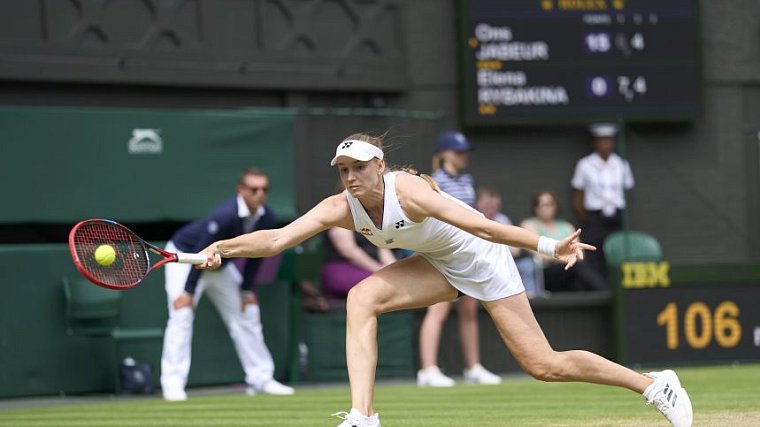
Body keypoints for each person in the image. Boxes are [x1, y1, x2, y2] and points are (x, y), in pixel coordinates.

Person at [198, 134, 693, 427]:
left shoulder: (410, 193)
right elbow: (277, 239)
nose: (349, 177)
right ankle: (363, 416)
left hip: (482, 258)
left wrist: (548, 246)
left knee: (545, 365)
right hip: (438, 262)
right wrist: (221, 247)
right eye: (343, 169)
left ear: (380, 167)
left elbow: (480, 225)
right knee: (362, 296)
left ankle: (653, 386)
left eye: (358, 168)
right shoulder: (339, 208)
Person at [160, 168, 294, 401]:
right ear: (241, 190)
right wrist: (188, 292)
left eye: (264, 189)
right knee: (181, 314)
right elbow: (202, 251)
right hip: (187, 258)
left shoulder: (267, 217)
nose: (260, 194)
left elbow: (258, 254)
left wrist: (245, 290)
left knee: (248, 311)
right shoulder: (225, 215)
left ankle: (261, 379)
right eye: (254, 189)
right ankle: (173, 385)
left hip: (219, 266)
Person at [416, 131, 501, 387]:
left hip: (467, 252)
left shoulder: (467, 180)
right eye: (458, 151)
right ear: (444, 154)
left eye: (465, 151)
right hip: (441, 252)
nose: (463, 156)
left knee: (469, 311)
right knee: (437, 311)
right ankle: (427, 370)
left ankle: (473, 367)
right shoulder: (434, 181)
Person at [571, 123, 635, 282]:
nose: (606, 144)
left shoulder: (622, 164)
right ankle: (599, 287)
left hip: (616, 216)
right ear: (594, 143)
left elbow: (627, 192)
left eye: (609, 140)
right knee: (594, 253)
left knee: (619, 250)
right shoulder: (585, 165)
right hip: (595, 217)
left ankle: (618, 284)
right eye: (601, 140)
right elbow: (578, 196)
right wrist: (588, 218)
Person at [521, 190, 607, 292]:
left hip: (569, 268)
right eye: (543, 205)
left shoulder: (566, 226)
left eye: (550, 204)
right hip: (544, 272)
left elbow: (579, 253)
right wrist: (563, 257)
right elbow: (539, 256)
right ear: (535, 207)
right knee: (577, 268)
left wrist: (568, 258)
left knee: (579, 274)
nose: (547, 208)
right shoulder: (529, 224)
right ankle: (605, 292)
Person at [475, 187, 541, 297]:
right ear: (477, 204)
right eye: (487, 205)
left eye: (494, 206)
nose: (491, 209)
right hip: (482, 264)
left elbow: (515, 249)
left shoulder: (502, 219)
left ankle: (530, 299)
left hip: (506, 261)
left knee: (527, 265)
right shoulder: (473, 219)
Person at [321, 227, 397, 299]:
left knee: (400, 278)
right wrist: (379, 270)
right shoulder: (340, 222)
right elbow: (349, 251)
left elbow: (382, 248)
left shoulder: (368, 222)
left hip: (375, 267)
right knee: (382, 282)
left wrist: (394, 269)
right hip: (344, 269)